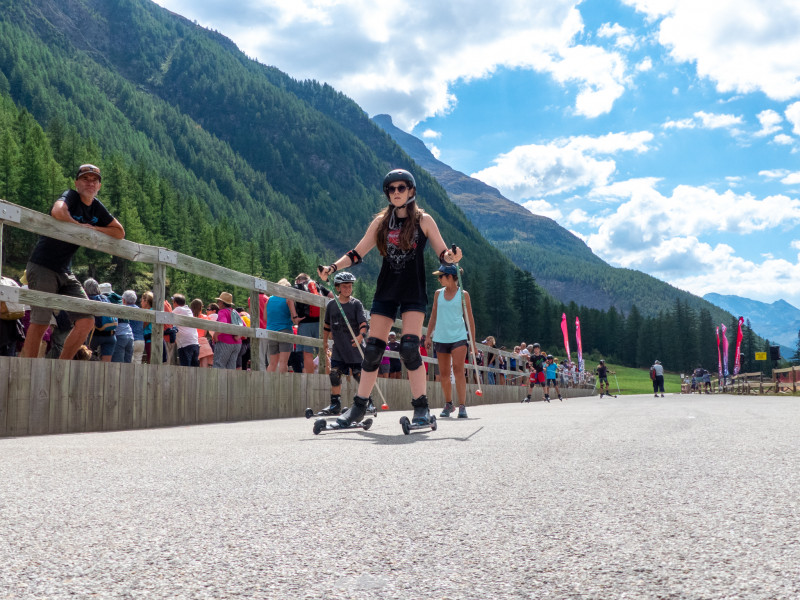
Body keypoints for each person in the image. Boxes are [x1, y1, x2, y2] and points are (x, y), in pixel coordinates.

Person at [318, 168, 461, 427]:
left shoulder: (424, 220)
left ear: (411, 191)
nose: (396, 192)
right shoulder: (381, 222)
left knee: (408, 347)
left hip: (412, 290)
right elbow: (357, 253)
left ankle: (421, 408)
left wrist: (452, 257)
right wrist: (333, 268)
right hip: (386, 289)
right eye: (391, 189)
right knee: (372, 350)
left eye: (401, 188)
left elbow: (443, 253)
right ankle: (358, 408)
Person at [21, 164, 125, 359]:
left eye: (94, 180)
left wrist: (94, 229)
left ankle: (61, 368)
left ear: (99, 186)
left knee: (86, 321)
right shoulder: (71, 196)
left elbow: (119, 232)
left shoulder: (96, 206)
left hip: (64, 270)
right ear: (77, 183)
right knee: (41, 321)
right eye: (85, 179)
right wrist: (78, 226)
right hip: (43, 264)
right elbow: (58, 211)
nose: (90, 183)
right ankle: (28, 371)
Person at [424, 263, 475, 419]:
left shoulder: (463, 295)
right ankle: (448, 404)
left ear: (451, 277)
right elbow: (433, 315)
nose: (439, 279)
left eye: (441, 276)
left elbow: (470, 319)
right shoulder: (438, 294)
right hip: (440, 337)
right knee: (444, 374)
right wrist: (428, 335)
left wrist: (472, 341)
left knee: (459, 370)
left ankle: (462, 406)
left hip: (458, 337)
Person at [318, 271, 368, 415]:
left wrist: (360, 336)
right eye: (344, 286)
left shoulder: (356, 304)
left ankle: (367, 401)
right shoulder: (332, 305)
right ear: (337, 288)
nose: (347, 289)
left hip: (354, 347)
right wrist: (325, 341)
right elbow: (327, 325)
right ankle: (335, 405)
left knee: (359, 374)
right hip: (339, 348)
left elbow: (363, 323)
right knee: (334, 374)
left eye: (350, 286)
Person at [293, 273, 332, 374]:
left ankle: (311, 378)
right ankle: (328, 377)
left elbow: (289, 299)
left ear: (298, 280)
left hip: (305, 323)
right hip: (320, 323)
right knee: (323, 352)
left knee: (307, 354)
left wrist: (295, 317)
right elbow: (332, 297)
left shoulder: (297, 287)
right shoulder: (317, 286)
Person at [266, 279, 298, 373]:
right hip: (285, 330)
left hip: (271, 331)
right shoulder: (288, 299)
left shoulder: (269, 299)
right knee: (283, 362)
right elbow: (294, 319)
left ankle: (268, 384)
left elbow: (265, 317)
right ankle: (282, 386)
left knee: (272, 363)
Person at [83, 278, 117, 362]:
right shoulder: (105, 298)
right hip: (110, 335)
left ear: (85, 289)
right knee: (106, 363)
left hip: (94, 335)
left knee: (86, 357)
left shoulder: (88, 300)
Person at [212, 291, 242, 369]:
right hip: (237, 344)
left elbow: (223, 324)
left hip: (224, 342)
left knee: (218, 365)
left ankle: (217, 382)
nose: (218, 303)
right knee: (231, 368)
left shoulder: (222, 312)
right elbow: (244, 326)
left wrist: (215, 335)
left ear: (222, 302)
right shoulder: (235, 312)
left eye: (218, 301)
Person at [172, 294, 199, 367]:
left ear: (175, 302)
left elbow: (167, 317)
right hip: (194, 342)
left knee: (185, 368)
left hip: (185, 344)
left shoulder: (178, 309)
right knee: (194, 368)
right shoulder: (188, 310)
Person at [110, 290, 138, 363]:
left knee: (118, 364)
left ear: (123, 300)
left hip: (120, 336)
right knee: (127, 363)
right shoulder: (138, 309)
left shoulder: (120, 308)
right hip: (130, 336)